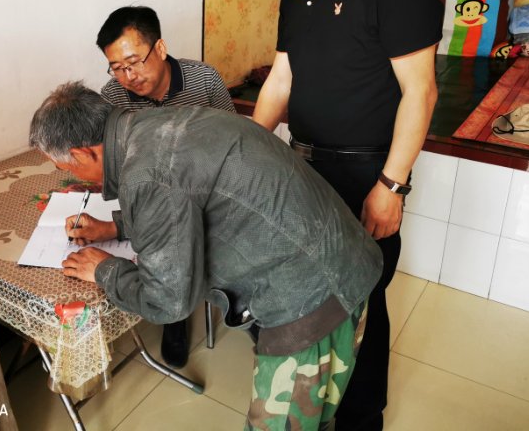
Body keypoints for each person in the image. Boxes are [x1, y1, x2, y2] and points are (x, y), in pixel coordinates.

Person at [29, 81, 383, 431]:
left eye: (66, 168)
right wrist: (115, 227)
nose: (73, 175)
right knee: (320, 413)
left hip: (309, 297)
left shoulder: (146, 174)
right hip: (342, 257)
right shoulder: (156, 125)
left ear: (82, 154)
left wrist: (105, 269)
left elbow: (168, 301)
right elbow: (190, 194)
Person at [248, 0, 442, 431]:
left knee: (361, 301)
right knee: (305, 295)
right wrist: (245, 151)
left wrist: (391, 186)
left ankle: (361, 419)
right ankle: (316, 406)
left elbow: (420, 93)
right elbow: (282, 80)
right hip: (303, 168)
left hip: (366, 173)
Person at [88, 5, 236, 368]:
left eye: (134, 62)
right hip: (154, 198)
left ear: (160, 48)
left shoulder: (203, 80)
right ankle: (172, 312)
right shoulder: (113, 96)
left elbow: (233, 141)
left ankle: (176, 309)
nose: (128, 76)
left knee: (182, 243)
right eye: (117, 67)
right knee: (157, 239)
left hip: (208, 191)